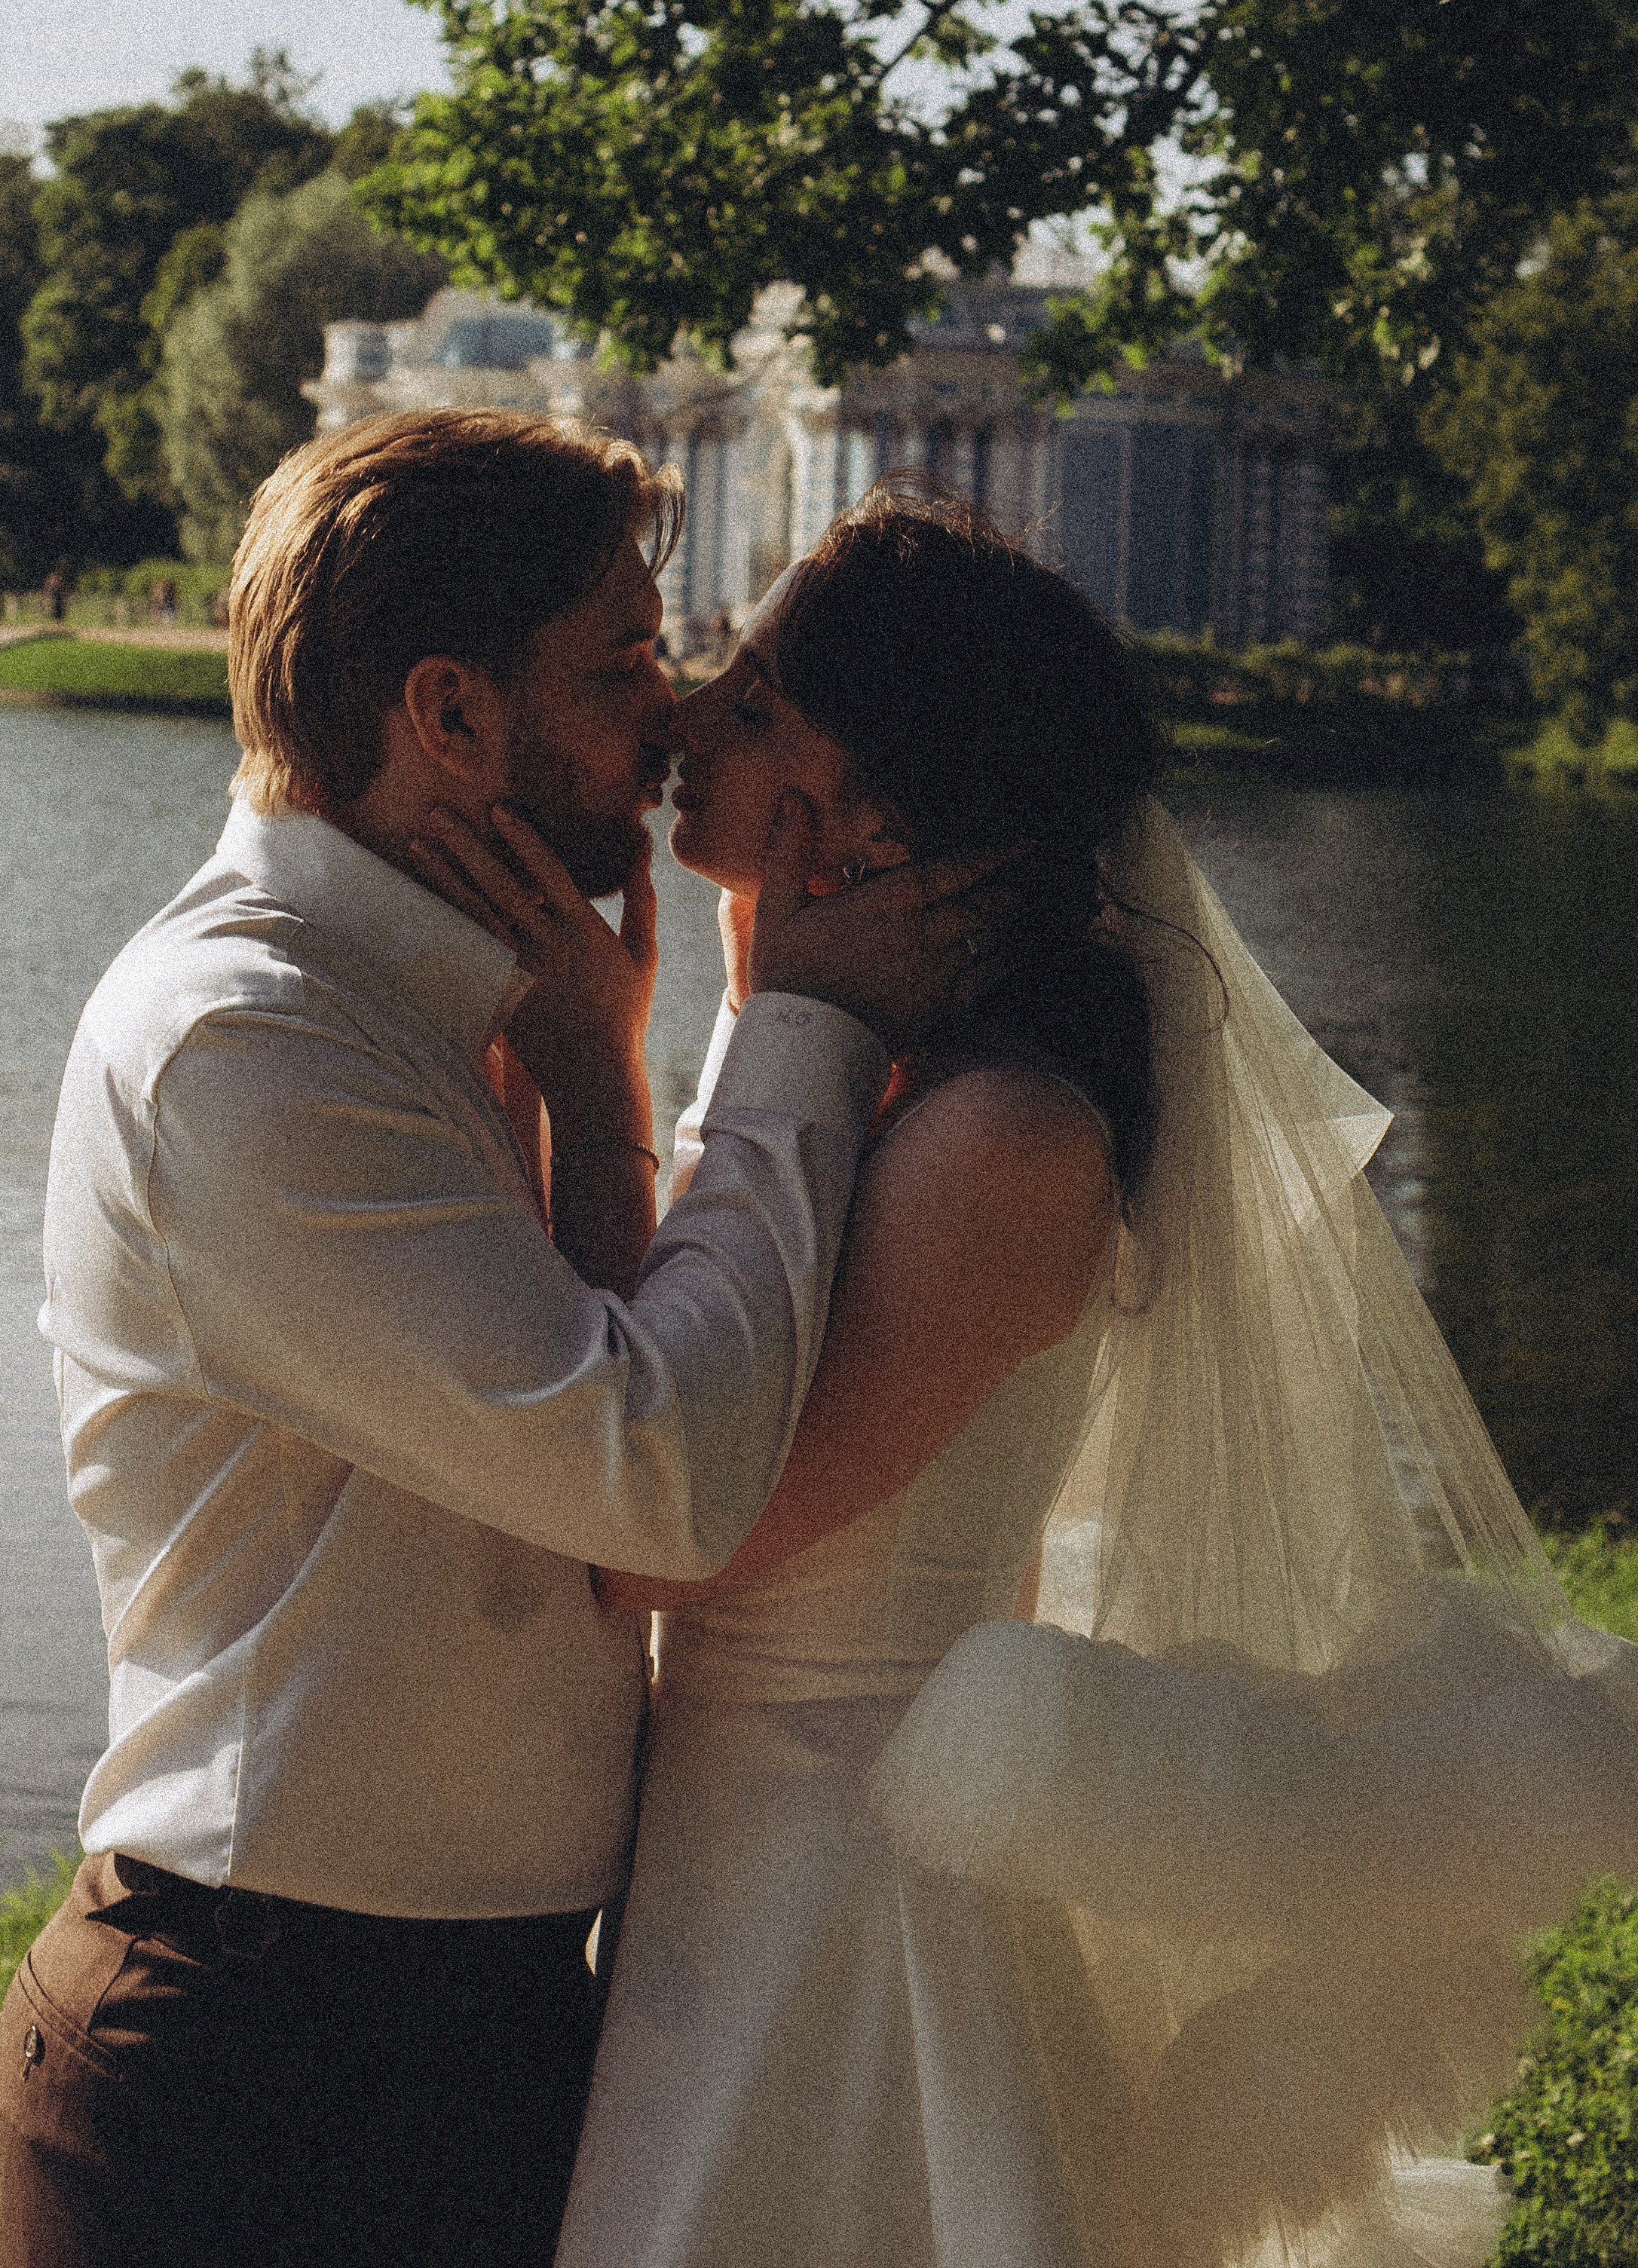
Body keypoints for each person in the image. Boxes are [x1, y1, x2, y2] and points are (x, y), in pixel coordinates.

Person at [511, 492, 1638, 2268]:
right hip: (738, 1847)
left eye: (751, 700)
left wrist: (598, 1082)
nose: (683, 722)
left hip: (841, 1889)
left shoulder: (1000, 1139)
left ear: (875, 802)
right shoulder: (877, 1071)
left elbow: (661, 1538)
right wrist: (759, 1009)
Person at [0, 412, 993, 2268]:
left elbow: (603, 1469)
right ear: (448, 716)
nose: (676, 713)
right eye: (623, 664)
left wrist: (607, 1099)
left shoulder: (463, 1003)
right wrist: (807, 1030)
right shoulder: (251, 1043)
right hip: (260, 2071)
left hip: (475, 2031)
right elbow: (661, 1482)